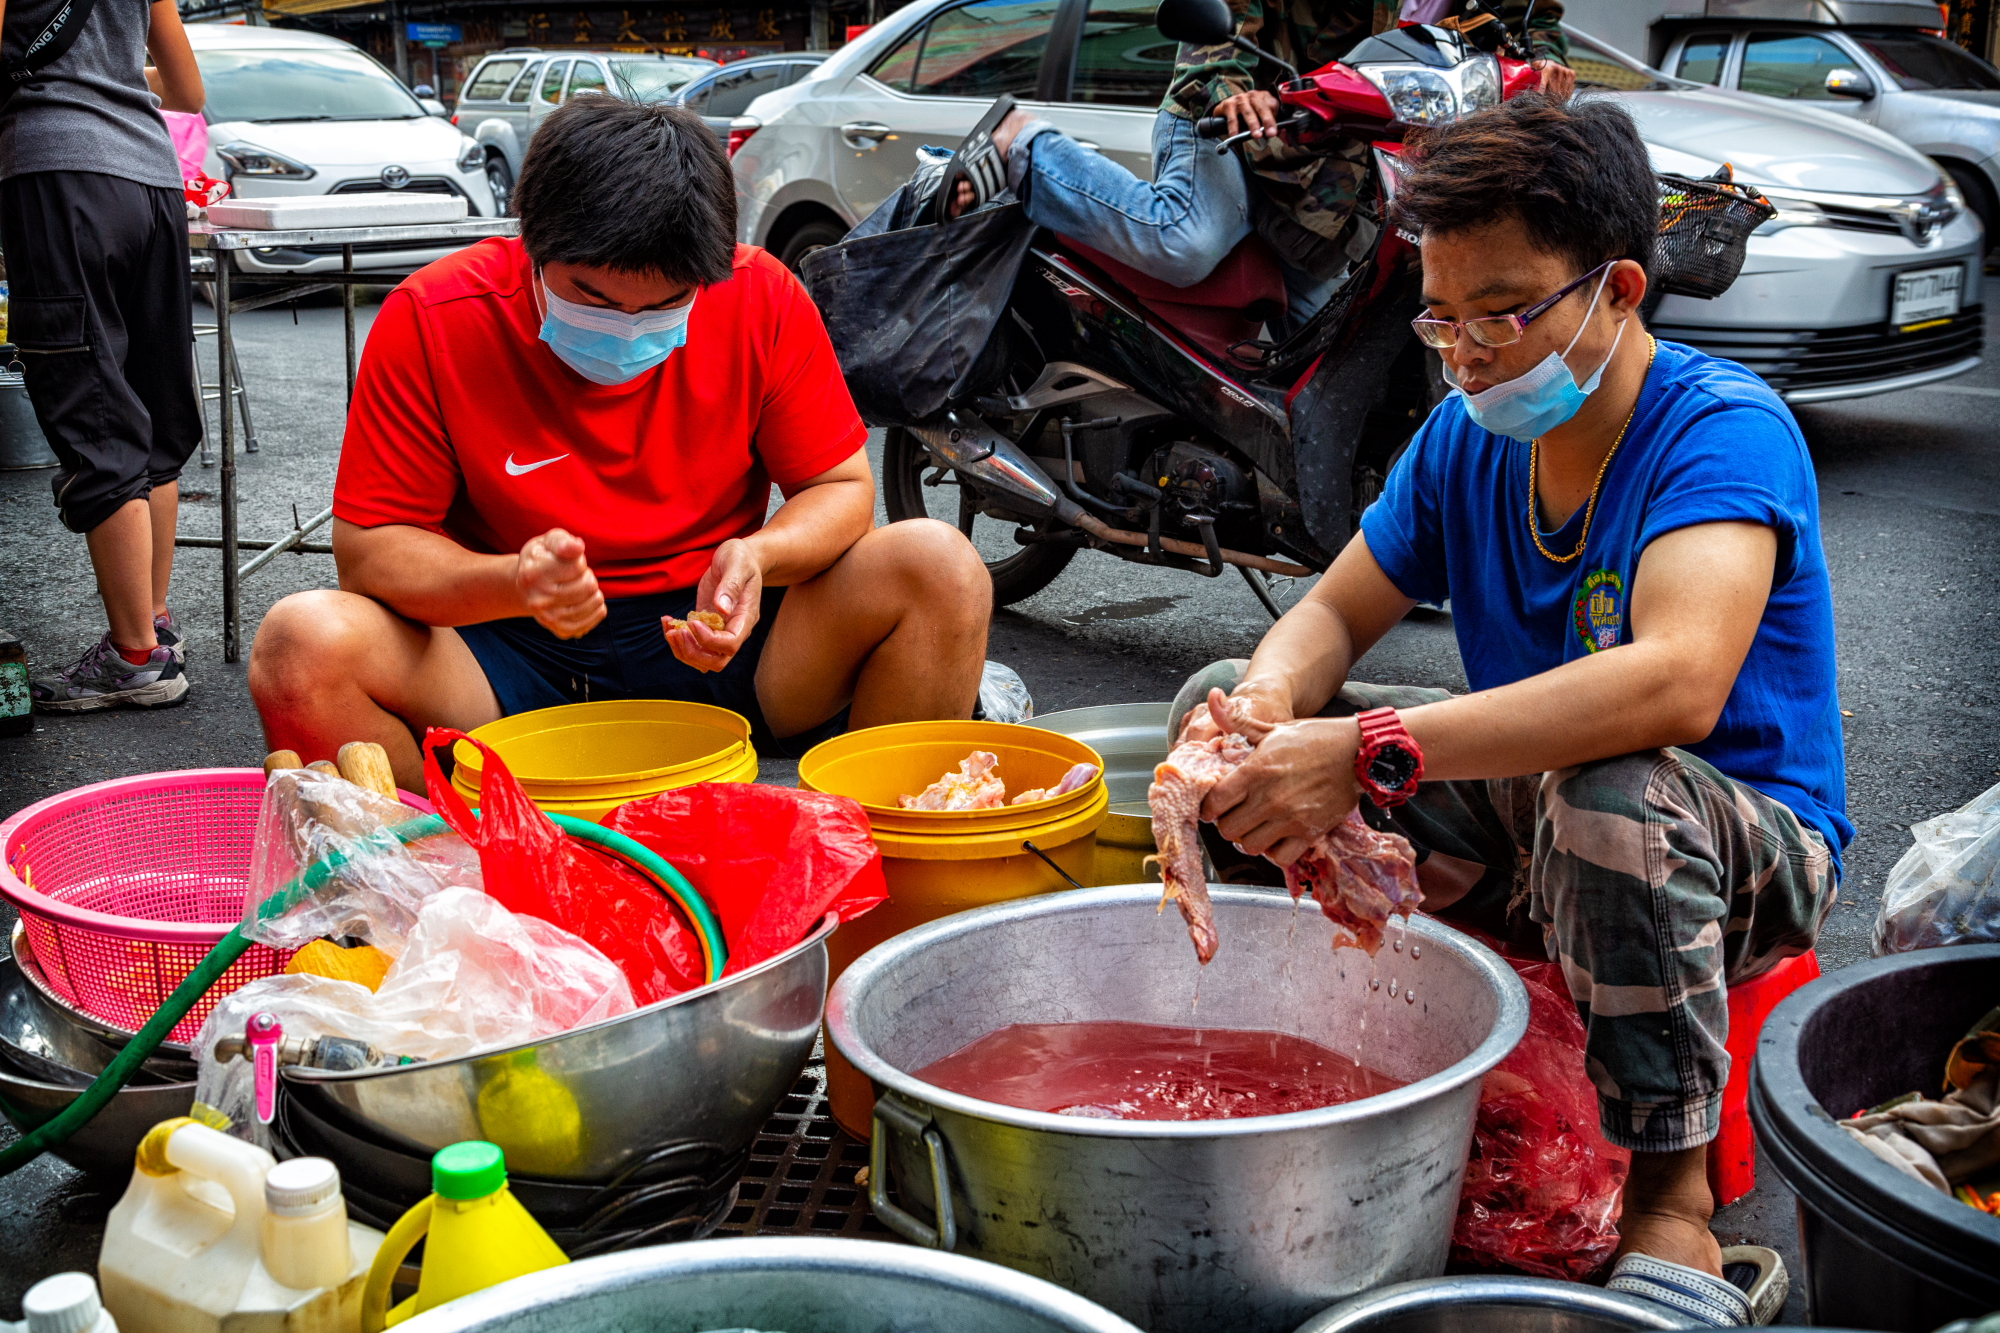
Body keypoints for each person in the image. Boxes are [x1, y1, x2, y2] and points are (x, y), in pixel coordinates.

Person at [1174, 95, 1844, 1323]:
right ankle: (1333, 1048)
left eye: (1501, 313)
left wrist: (1367, 749)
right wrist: (1265, 704)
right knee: (1224, 731)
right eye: (1441, 316)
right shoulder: (1460, 440)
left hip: (1736, 843)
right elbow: (1330, 616)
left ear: (1617, 289)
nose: (1466, 352)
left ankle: (1673, 1210)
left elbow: (1673, 682)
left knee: (1611, 796)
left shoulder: (1721, 432)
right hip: (1537, 817)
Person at [249, 98, 992, 790]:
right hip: (502, 650)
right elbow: (372, 550)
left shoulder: (759, 295)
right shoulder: (435, 316)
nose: (629, 327)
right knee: (301, 645)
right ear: (531, 246)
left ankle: (878, 865)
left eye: (667, 305)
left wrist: (760, 556)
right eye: (593, 298)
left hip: (721, 634)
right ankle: (453, 869)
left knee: (941, 567)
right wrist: (513, 582)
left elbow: (840, 488)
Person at [951, 0, 1571, 329]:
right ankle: (1028, 146)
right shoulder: (1228, 95)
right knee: (1186, 241)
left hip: (1337, 156)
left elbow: (1534, 21)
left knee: (1331, 335)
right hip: (1231, 116)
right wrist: (1232, 90)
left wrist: (1542, 63)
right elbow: (1216, 28)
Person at [3, 0, 206, 711]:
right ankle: (152, 625)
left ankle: (134, 657)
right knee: (152, 409)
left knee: (92, 404)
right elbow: (187, 92)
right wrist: (112, 71)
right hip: (153, 179)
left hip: (59, 171)